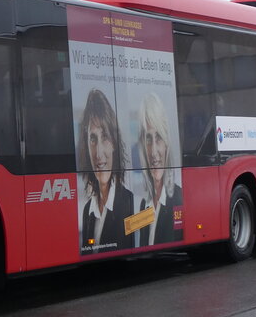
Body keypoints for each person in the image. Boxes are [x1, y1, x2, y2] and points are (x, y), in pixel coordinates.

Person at [77, 88, 136, 252]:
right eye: (93, 139)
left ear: (114, 144)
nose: (98, 153)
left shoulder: (129, 202)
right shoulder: (87, 211)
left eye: (105, 137)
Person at [135, 92, 182, 245]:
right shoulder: (144, 205)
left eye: (159, 137)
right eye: (148, 139)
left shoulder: (179, 199)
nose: (154, 152)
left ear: (167, 143)